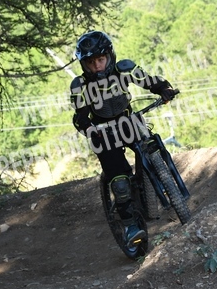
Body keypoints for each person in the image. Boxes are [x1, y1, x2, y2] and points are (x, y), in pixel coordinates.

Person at [69, 31, 176, 248]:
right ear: (84, 65)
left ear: (109, 56)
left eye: (101, 59)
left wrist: (164, 89)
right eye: (91, 62)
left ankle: (165, 185)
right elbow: (80, 117)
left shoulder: (124, 69)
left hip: (129, 122)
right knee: (119, 182)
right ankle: (130, 226)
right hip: (103, 134)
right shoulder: (79, 85)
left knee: (150, 145)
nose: (97, 66)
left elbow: (149, 81)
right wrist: (89, 128)